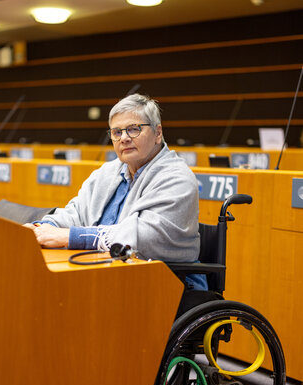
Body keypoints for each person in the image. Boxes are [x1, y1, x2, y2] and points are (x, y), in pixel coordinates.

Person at [25, 93, 207, 289]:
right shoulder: (107, 172)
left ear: (158, 133)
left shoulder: (177, 177)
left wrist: (69, 237)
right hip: (107, 273)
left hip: (165, 283)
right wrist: (40, 230)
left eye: (133, 129)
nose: (124, 138)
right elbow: (76, 213)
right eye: (117, 132)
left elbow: (145, 237)